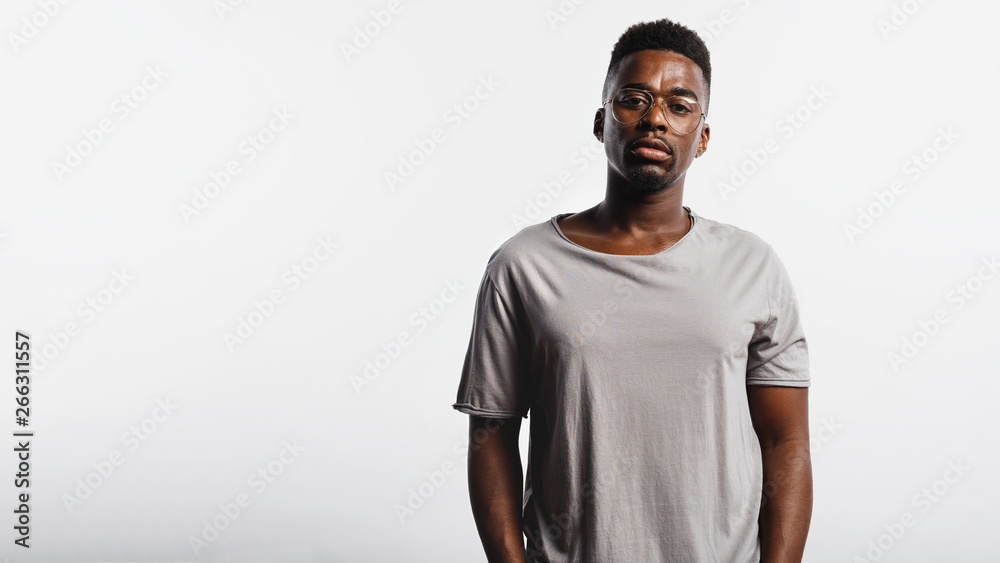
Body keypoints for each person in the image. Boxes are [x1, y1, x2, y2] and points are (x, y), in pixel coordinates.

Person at [452, 17, 812, 563]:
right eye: (634, 99)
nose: (655, 120)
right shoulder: (523, 265)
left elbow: (786, 444)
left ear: (704, 136)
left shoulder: (752, 265)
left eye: (680, 105)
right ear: (601, 122)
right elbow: (490, 436)